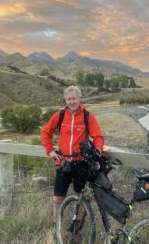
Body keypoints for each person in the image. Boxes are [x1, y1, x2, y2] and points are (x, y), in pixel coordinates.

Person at [41, 85, 104, 224]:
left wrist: (98, 151)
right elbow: (46, 132)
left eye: (74, 98)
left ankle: (77, 229)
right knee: (57, 199)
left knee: (80, 198)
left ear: (79, 99)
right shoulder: (60, 115)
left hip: (81, 164)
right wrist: (50, 151)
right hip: (63, 162)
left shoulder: (88, 116)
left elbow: (98, 136)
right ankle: (56, 226)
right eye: (68, 99)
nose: (71, 102)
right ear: (65, 100)